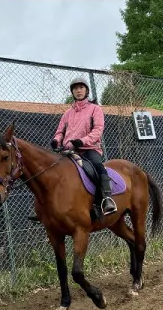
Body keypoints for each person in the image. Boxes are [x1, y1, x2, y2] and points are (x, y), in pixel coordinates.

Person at [50, 76, 117, 215]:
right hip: (68, 151)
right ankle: (48, 208)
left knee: (97, 166)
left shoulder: (95, 109)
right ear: (72, 92)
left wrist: (82, 141)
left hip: (89, 149)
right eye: (75, 88)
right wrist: (56, 141)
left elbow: (98, 130)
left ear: (86, 90)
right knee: (51, 171)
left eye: (81, 88)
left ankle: (107, 199)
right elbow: (60, 132)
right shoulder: (67, 113)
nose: (78, 90)